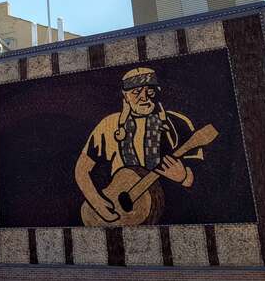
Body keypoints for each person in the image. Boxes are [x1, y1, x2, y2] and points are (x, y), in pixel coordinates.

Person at [75, 67, 204, 223]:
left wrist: (185, 177)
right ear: (125, 96)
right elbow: (82, 168)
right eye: (136, 92)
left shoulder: (178, 124)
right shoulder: (109, 125)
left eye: (150, 91)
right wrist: (97, 203)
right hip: (119, 215)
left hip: (169, 215)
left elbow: (207, 178)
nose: (144, 97)